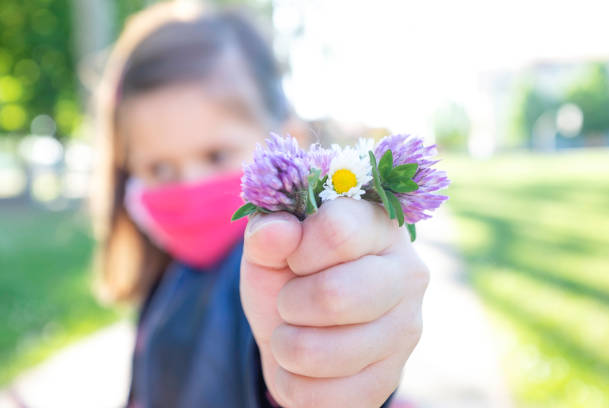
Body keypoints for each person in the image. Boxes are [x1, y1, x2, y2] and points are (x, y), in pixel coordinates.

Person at [93, 2, 428, 407]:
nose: (190, 186)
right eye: (160, 168)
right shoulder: (168, 277)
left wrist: (323, 368)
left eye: (216, 156)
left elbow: (291, 352)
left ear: (291, 142)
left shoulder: (287, 265)